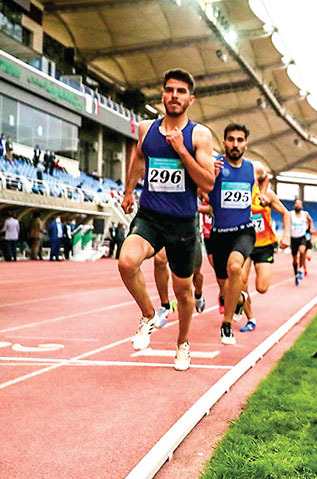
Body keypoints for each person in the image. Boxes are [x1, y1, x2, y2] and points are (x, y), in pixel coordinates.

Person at [119, 68, 215, 371]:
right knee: (126, 262)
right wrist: (128, 191)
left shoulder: (199, 135)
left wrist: (180, 150)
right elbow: (138, 159)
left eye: (181, 91)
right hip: (150, 216)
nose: (174, 96)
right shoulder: (146, 129)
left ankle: (183, 343)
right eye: (169, 90)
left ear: (190, 99)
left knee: (183, 291)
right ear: (163, 94)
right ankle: (148, 314)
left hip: (183, 223)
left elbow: (208, 183)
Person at [208, 122, 266, 345]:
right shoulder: (214, 164)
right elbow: (203, 190)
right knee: (225, 290)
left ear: (246, 144)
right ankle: (239, 297)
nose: (235, 144)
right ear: (224, 142)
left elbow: (264, 178)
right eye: (231, 139)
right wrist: (210, 180)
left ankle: (226, 325)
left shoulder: (253, 167)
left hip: (244, 231)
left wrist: (261, 194)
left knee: (235, 268)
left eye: (240, 140)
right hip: (219, 233)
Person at [238, 162, 291, 333]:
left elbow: (286, 213)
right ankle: (250, 317)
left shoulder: (267, 195)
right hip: (244, 243)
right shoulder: (237, 192)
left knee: (261, 288)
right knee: (240, 281)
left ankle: (241, 297)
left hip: (265, 245)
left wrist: (286, 235)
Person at [289, 199, 314, 286]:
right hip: (293, 238)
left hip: (302, 237)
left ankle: (300, 269)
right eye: (296, 204)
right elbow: (286, 221)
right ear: (294, 205)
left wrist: (311, 227)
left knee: (303, 251)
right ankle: (296, 274)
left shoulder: (305, 214)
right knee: (295, 260)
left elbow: (310, 220)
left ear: (302, 206)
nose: (298, 205)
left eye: (299, 204)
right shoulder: (290, 214)